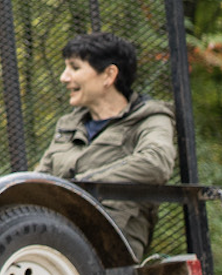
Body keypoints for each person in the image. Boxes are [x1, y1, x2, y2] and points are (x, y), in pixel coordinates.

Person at [33, 32, 177, 257]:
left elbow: (156, 162)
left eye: (75, 67)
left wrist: (80, 187)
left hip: (112, 243)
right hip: (56, 235)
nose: (64, 77)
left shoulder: (150, 118)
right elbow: (39, 180)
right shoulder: (68, 125)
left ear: (109, 75)